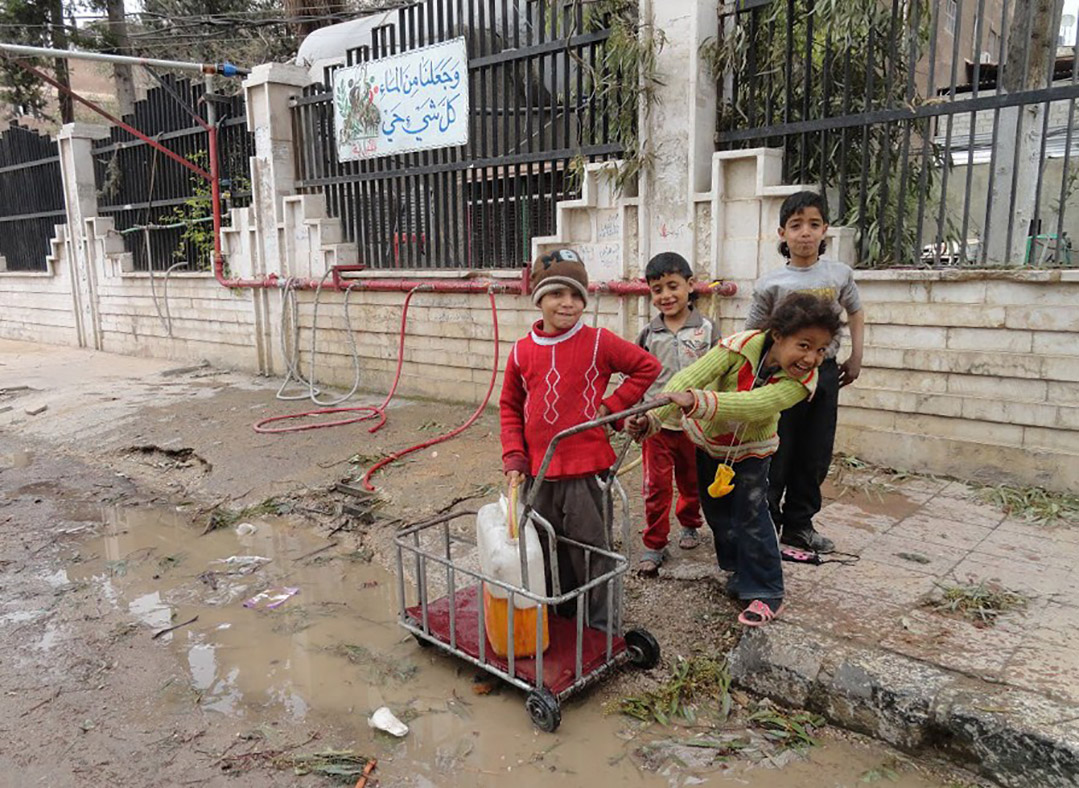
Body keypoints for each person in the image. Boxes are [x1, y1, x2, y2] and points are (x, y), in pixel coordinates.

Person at [627, 293, 842, 626]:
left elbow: (755, 404)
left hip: (752, 453)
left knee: (752, 517)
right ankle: (741, 574)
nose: (812, 357)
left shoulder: (802, 383)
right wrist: (653, 418)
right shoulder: (738, 346)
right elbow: (688, 379)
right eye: (804, 345)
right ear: (778, 336)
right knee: (718, 514)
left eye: (821, 349)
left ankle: (768, 591)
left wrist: (697, 402)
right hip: (708, 442)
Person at [501, 248, 660, 630]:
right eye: (557, 294)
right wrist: (514, 459)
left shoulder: (598, 341)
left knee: (591, 551)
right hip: (538, 475)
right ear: (539, 298)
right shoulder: (522, 352)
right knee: (545, 547)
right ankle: (561, 616)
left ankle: (600, 627)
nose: (567, 304)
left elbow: (646, 366)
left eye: (575, 295)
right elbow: (509, 407)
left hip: (587, 472)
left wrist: (610, 408)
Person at [745, 190, 865, 554]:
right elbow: (753, 333)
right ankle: (766, 525)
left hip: (825, 375)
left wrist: (856, 357)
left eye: (814, 224)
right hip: (782, 379)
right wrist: (754, 376)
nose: (805, 233)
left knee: (815, 452)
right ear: (782, 234)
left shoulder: (839, 273)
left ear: (825, 230)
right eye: (796, 225)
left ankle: (799, 524)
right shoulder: (770, 283)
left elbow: (855, 312)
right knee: (777, 450)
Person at [634, 252, 718, 577]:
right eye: (657, 289)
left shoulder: (707, 330)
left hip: (696, 424)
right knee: (655, 487)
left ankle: (689, 523)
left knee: (691, 480)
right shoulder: (648, 334)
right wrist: (638, 414)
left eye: (673, 286)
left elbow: (722, 373)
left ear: (690, 285)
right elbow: (637, 376)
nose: (666, 295)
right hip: (657, 425)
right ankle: (654, 544)